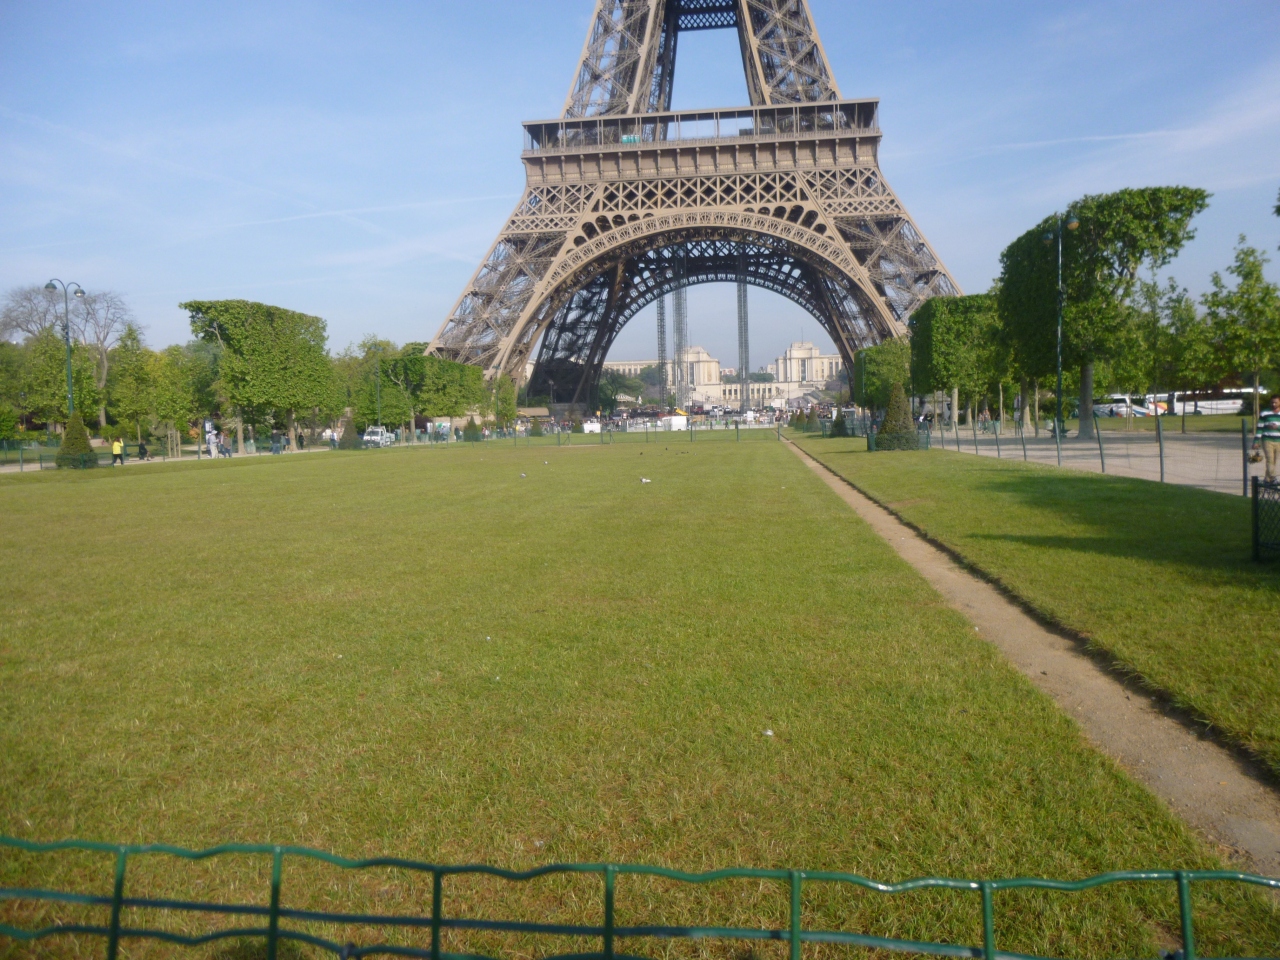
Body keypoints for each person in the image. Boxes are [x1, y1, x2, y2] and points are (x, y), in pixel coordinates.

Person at [1253, 393, 1280, 484]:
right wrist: (1256, 441)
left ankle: (1267, 479)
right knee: (1269, 459)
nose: (1273, 404)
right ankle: (1272, 478)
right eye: (1272, 403)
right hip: (1267, 440)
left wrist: (1277, 427)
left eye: (1275, 403)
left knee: (1274, 461)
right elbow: (1259, 428)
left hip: (1278, 441)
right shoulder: (1265, 413)